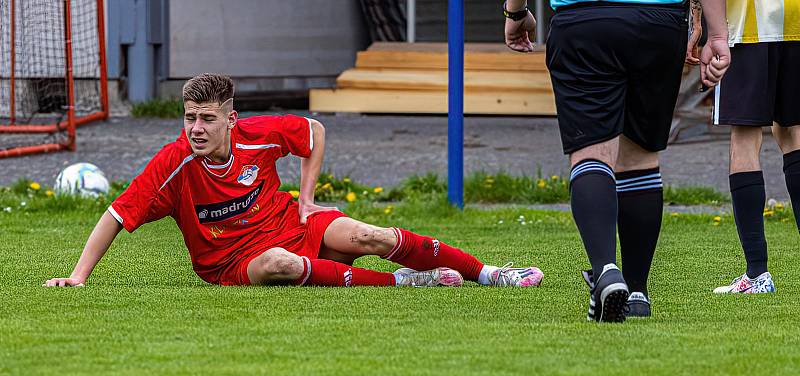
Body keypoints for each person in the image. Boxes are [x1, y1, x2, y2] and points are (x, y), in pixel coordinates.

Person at [44, 73, 544, 289]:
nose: (196, 128)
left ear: (231, 119)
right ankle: (406, 281)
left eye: (206, 119)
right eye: (189, 117)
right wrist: (80, 275)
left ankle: (490, 273)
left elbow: (314, 131)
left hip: (290, 222)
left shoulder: (259, 136)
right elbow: (115, 214)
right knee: (281, 264)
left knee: (372, 235)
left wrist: (306, 199)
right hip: (234, 262)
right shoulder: (173, 164)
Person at [504, 0, 730, 321]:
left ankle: (607, 272)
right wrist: (717, 34)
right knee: (640, 155)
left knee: (592, 153)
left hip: (584, 21)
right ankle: (638, 291)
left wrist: (515, 12)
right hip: (659, 23)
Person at [697, 0, 800, 294]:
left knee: (744, 137)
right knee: (794, 133)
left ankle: (757, 274)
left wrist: (704, 26)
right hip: (796, 20)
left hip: (748, 25)